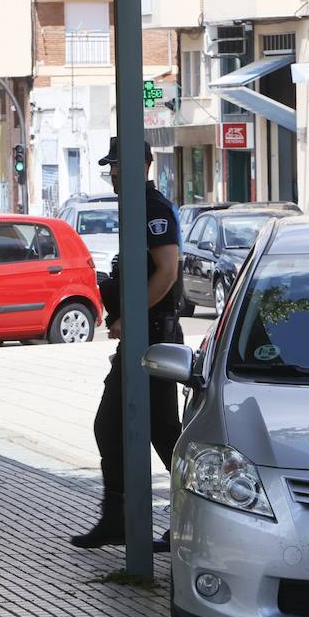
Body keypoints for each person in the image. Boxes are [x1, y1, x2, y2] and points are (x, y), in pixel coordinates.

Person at [70, 137, 184, 551]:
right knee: (114, 426)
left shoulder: (152, 208)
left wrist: (130, 318)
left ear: (143, 165)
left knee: (164, 435)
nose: (113, 172)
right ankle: (117, 518)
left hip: (153, 335)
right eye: (110, 166)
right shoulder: (135, 208)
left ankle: (188, 523)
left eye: (118, 165)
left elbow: (167, 272)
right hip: (143, 334)